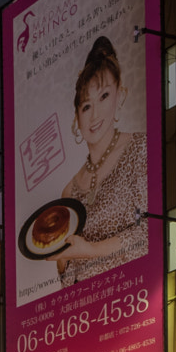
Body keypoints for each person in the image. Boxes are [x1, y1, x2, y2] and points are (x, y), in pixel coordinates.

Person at [53, 36, 150, 286]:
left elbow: (149, 233)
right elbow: (67, 280)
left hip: (136, 295)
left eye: (104, 96)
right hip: (90, 314)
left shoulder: (140, 149)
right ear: (76, 118)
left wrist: (90, 250)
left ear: (121, 95)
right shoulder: (70, 190)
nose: (94, 114)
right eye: (86, 106)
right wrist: (62, 261)